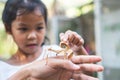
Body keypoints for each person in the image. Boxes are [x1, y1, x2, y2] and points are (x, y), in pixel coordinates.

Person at [0, 0, 104, 80]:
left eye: (39, 28)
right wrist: (28, 72)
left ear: (46, 26)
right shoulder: (2, 68)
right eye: (23, 29)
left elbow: (83, 75)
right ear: (8, 28)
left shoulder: (55, 53)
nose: (32, 36)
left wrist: (78, 50)